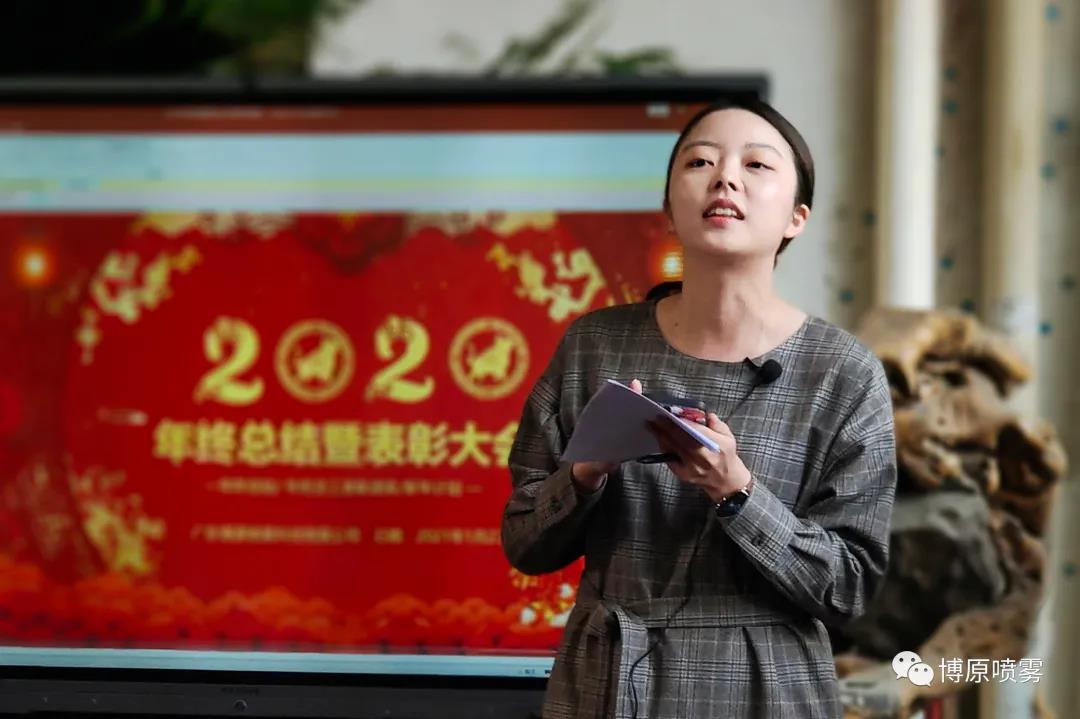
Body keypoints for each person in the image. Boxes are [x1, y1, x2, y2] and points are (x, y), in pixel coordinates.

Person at [500, 97, 897, 719]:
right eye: (700, 161)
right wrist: (584, 474)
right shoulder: (595, 346)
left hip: (764, 687)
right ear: (669, 207)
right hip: (604, 684)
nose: (725, 178)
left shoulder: (843, 372)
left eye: (756, 165)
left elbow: (850, 587)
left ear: (796, 218)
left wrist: (738, 492)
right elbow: (525, 541)